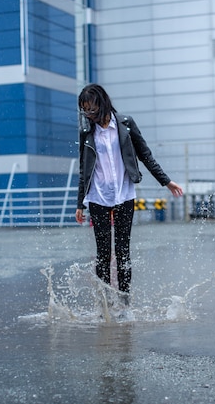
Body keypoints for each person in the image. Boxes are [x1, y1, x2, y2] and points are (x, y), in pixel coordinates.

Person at [75, 84, 183, 299]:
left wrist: (166, 181)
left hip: (124, 195)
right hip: (98, 197)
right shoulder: (87, 132)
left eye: (92, 110)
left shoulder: (126, 124)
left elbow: (145, 155)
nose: (89, 115)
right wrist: (80, 203)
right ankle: (105, 304)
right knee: (103, 254)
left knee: (123, 251)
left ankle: (124, 303)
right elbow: (84, 169)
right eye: (85, 110)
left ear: (103, 103)